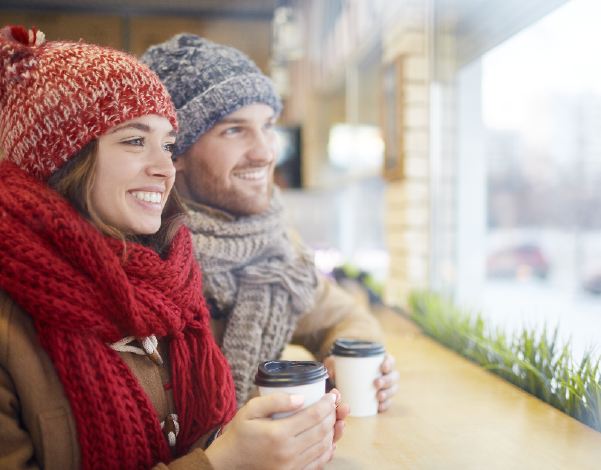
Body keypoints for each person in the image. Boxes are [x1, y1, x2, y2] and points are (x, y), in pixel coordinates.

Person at [0, 25, 347, 470]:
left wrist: (278, 444)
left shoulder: (167, 281)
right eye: (134, 140)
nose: (166, 167)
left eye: (167, 144)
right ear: (62, 157)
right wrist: (223, 463)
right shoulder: (15, 318)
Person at [141, 34, 401, 409]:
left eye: (267, 126)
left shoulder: (275, 250)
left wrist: (349, 366)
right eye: (234, 130)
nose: (265, 152)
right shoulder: (139, 254)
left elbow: (345, 318)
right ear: (173, 151)